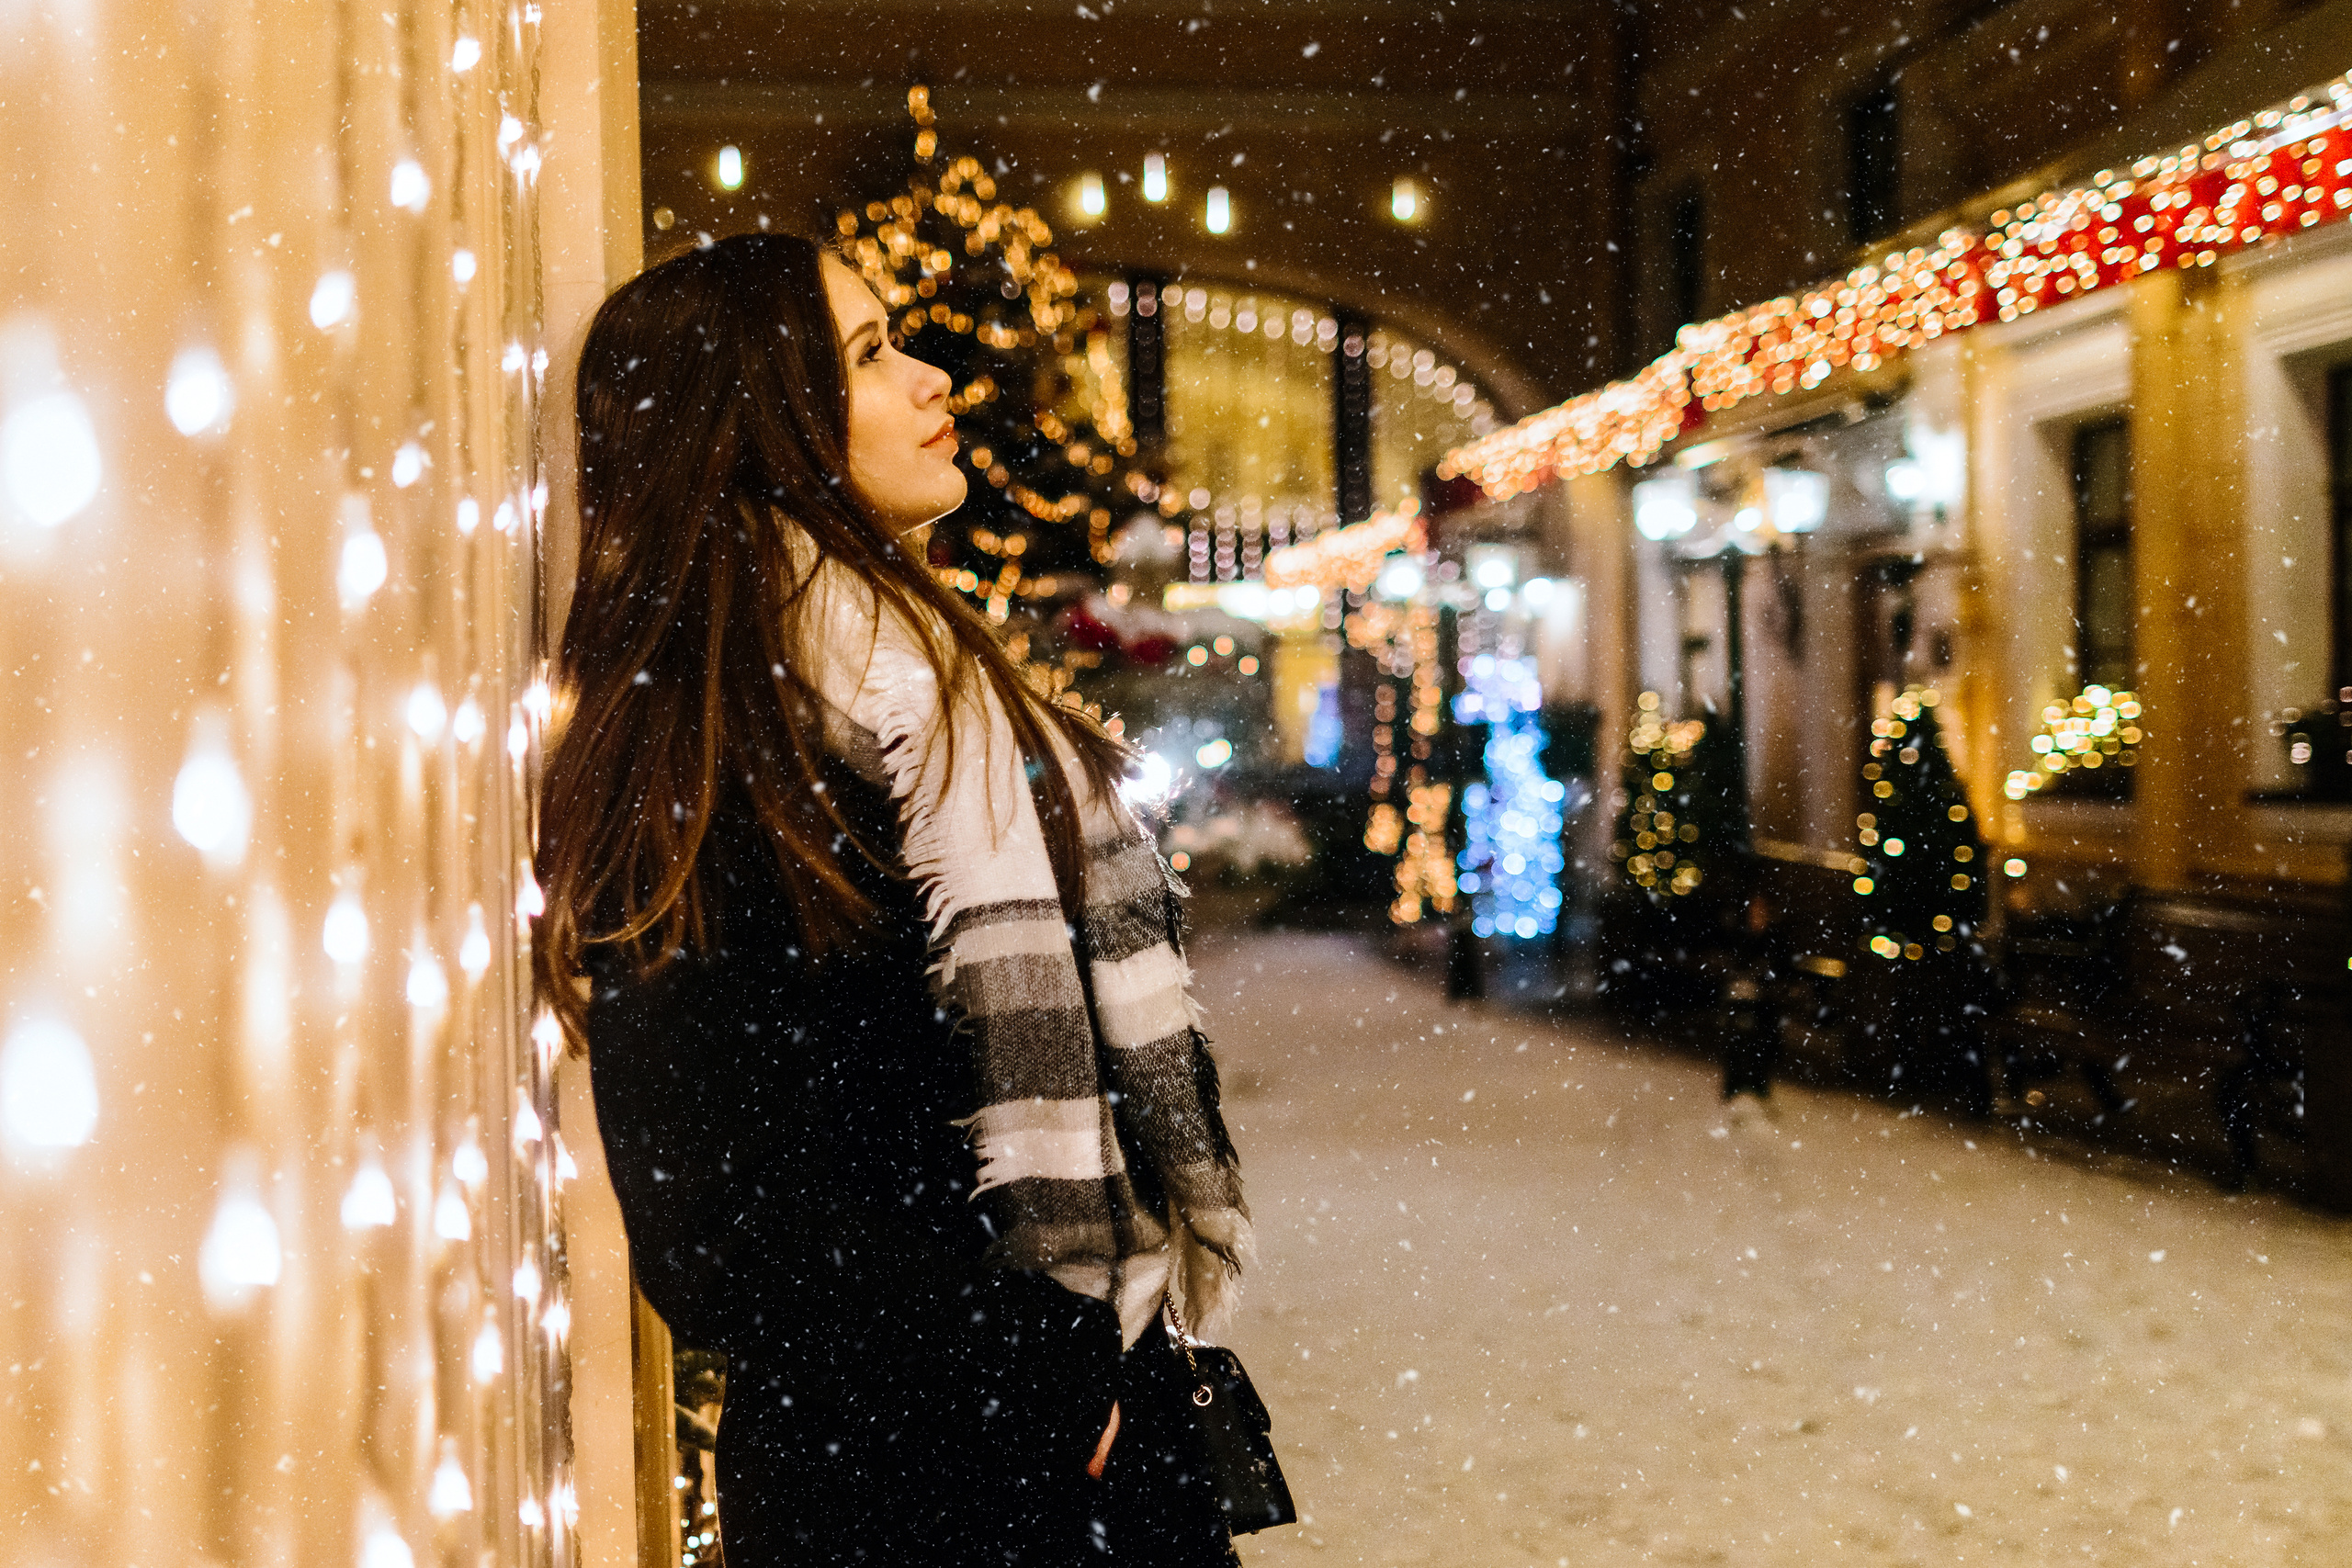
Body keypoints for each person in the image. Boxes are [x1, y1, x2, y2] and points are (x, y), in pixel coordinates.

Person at [535, 232, 1253, 1566]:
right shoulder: (730, 744)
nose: (935, 383)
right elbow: (721, 1231)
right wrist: (1033, 1376)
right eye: (869, 356)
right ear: (758, 425)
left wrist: (1090, 1375)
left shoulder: (929, 684)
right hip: (920, 1489)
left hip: (1062, 1437)